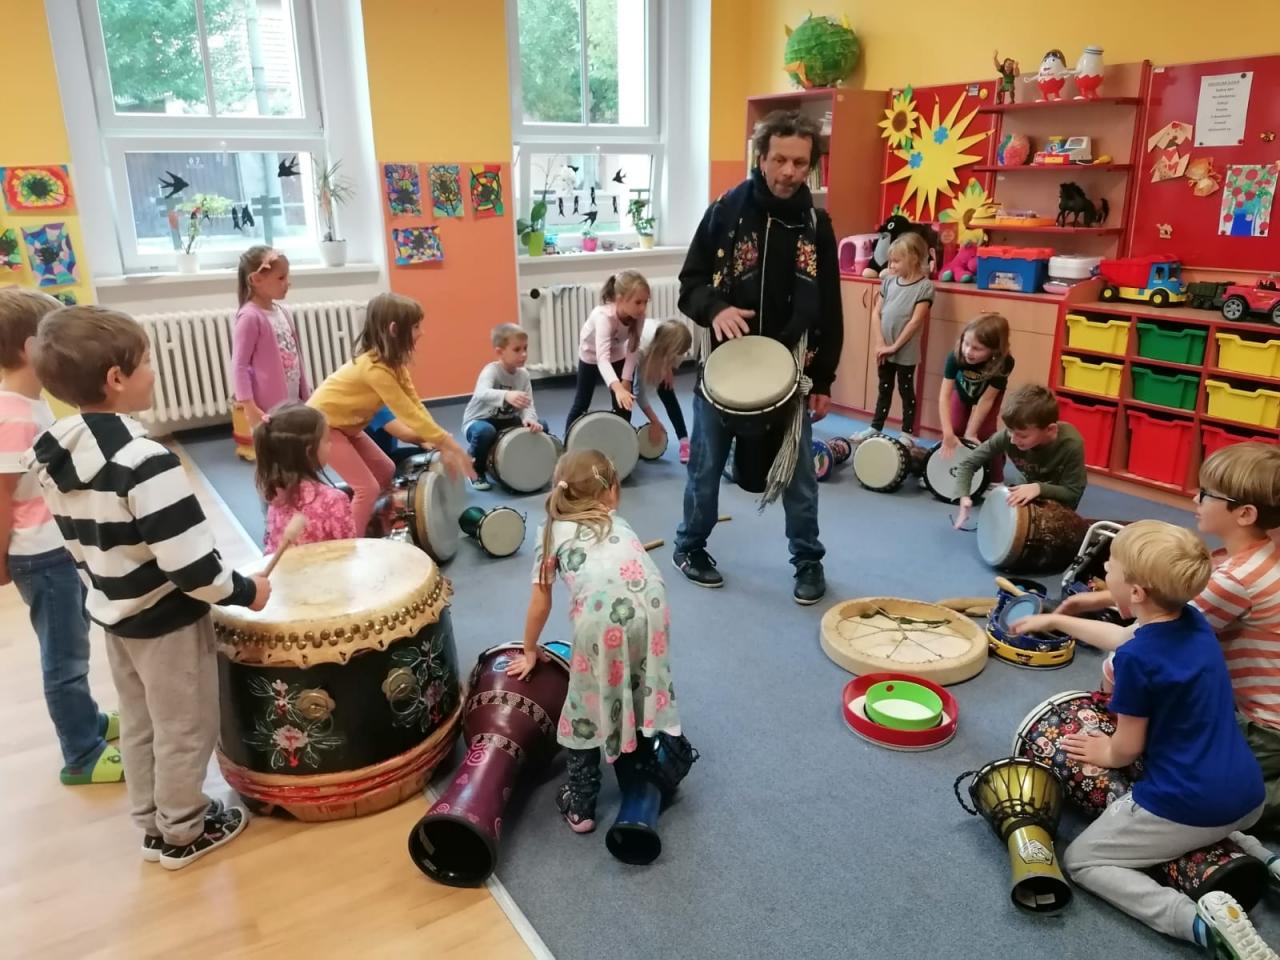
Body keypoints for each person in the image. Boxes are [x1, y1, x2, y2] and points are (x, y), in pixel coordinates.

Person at [24, 305, 270, 869]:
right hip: (166, 620)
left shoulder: (53, 447)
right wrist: (244, 591)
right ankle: (183, 830)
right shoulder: (145, 460)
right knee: (186, 725)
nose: (153, 372)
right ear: (116, 378)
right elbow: (192, 568)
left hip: (114, 613)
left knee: (139, 722)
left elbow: (81, 538)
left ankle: (151, 821)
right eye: (147, 363)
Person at [1011, 520, 1279, 957]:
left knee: (1083, 860)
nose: (1105, 572)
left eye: (1111, 567)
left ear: (1135, 591)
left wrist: (1102, 749)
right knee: (1210, 822)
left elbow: (1126, 749)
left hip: (1188, 801)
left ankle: (1197, 923)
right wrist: (1058, 619)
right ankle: (1268, 860)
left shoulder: (1137, 661)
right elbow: (1123, 636)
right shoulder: (1192, 620)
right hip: (1248, 796)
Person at [1059, 442, 1280, 834]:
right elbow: (1165, 592)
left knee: (1213, 799)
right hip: (1256, 711)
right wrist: (1096, 598)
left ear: (1245, 514)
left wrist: (1112, 684)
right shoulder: (1252, 556)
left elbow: (1140, 640)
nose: (1195, 498)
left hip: (1263, 729)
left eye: (1206, 494)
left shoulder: (1233, 581)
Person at [671, 108, 843, 604]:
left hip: (790, 369)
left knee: (800, 476)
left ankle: (807, 560)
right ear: (761, 158)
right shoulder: (725, 211)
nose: (789, 172)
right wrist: (716, 308)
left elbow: (829, 307)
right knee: (705, 470)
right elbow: (690, 285)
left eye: (800, 163)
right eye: (780, 160)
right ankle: (690, 548)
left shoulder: (816, 224)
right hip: (724, 368)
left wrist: (824, 378)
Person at [505, 450, 683, 832]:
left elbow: (540, 600)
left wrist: (530, 649)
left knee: (584, 702)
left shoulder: (550, 531)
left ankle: (581, 803)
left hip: (602, 621)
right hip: (653, 608)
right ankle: (643, 742)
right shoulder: (618, 521)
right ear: (611, 492)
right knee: (639, 675)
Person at [0, 289, 122, 785]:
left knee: (73, 643)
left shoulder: (30, 404)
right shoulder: (14, 414)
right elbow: (2, 493)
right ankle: (82, 754)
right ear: (33, 349)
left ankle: (86, 721)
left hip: (55, 548)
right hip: (39, 555)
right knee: (65, 657)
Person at [308, 292, 473, 534]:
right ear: (395, 329)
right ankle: (349, 543)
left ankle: (376, 524)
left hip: (347, 426)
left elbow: (415, 405)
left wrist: (438, 439)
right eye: (416, 327)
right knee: (367, 489)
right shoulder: (374, 369)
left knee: (385, 471)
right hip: (322, 428)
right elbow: (407, 413)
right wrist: (449, 444)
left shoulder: (394, 364)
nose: (422, 332)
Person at [951, 384, 1087, 531]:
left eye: (1022, 436)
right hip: (1026, 488)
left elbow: (1072, 493)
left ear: (1050, 430)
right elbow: (968, 464)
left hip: (1060, 499)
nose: (1013, 440)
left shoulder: (1071, 444)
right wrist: (964, 496)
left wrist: (1039, 488)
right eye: (1010, 431)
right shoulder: (1009, 436)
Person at [854, 233, 933, 443]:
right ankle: (875, 427)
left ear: (913, 259)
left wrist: (894, 347)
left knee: (906, 391)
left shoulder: (924, 287)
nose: (891, 266)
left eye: (896, 261)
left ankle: (907, 433)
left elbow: (915, 321)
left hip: (905, 351)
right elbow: (876, 313)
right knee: (884, 388)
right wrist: (881, 343)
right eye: (891, 261)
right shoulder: (889, 281)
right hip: (884, 349)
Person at [254, 402, 355, 553]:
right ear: (309, 452)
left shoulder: (276, 496)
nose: (330, 445)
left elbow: (271, 548)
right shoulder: (334, 501)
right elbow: (349, 552)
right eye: (327, 440)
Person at [231, 247, 309, 435]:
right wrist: (249, 406)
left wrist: (304, 392)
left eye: (287, 276)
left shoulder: (283, 312)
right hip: (269, 409)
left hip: (292, 403)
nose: (288, 283)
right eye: (281, 278)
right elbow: (239, 366)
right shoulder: (250, 317)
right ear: (256, 280)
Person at [462, 323, 548, 491]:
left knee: (541, 426)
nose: (524, 354)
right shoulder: (491, 371)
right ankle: (475, 468)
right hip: (479, 421)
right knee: (485, 432)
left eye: (525, 348)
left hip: (506, 421)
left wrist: (530, 420)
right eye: (517, 350)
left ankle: (524, 465)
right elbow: (481, 392)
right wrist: (506, 395)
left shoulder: (523, 375)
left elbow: (528, 404)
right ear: (500, 352)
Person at [563, 272, 649, 435]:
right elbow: (602, 359)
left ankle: (621, 440)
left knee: (624, 403)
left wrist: (626, 380)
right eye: (638, 302)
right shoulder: (604, 316)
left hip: (617, 352)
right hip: (590, 354)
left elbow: (633, 348)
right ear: (620, 299)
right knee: (582, 403)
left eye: (646, 302)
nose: (643, 308)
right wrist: (617, 388)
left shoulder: (639, 316)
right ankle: (567, 441)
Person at [937, 312, 1014, 466]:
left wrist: (971, 433)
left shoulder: (1004, 363)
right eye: (966, 343)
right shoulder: (955, 356)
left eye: (977, 348)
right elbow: (944, 396)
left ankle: (995, 473)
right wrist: (947, 432)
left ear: (994, 350)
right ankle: (947, 469)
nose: (968, 351)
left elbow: (987, 399)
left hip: (988, 396)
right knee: (955, 428)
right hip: (962, 391)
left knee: (985, 434)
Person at [632, 319, 693, 463]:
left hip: (658, 351)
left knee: (667, 389)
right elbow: (638, 391)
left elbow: (669, 354)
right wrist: (655, 421)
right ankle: (624, 438)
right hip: (625, 355)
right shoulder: (640, 350)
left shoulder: (671, 339)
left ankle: (684, 442)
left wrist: (668, 369)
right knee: (624, 397)